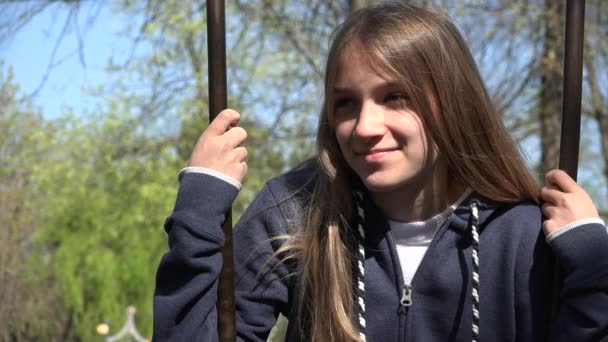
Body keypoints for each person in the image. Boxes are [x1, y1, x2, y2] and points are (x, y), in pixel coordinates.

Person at [152, 2, 608, 341]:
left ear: (453, 101)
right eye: (345, 103)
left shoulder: (524, 237)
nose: (365, 127)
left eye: (396, 96)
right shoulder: (296, 214)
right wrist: (197, 214)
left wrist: (593, 267)